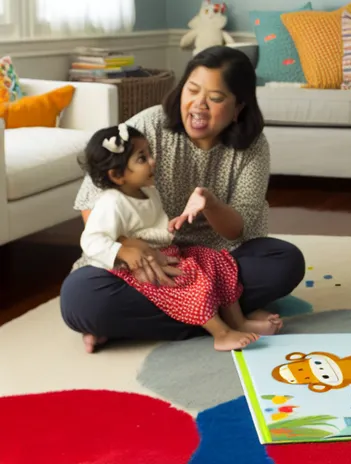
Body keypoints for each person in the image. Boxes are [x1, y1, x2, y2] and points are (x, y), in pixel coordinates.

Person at [60, 46, 305, 351]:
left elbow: (239, 230)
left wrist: (212, 205)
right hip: (142, 262)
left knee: (285, 262)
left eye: (215, 99)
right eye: (192, 90)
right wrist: (130, 247)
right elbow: (91, 200)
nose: (198, 105)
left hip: (215, 258)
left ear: (238, 107)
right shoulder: (147, 126)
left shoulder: (252, 147)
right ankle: (221, 318)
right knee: (81, 300)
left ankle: (135, 324)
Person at [77, 123, 282, 353]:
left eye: (150, 154)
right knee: (190, 278)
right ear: (116, 175)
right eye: (142, 158)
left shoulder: (149, 191)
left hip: (167, 254)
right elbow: (91, 240)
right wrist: (123, 251)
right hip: (137, 267)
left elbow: (151, 226)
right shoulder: (111, 202)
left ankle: (238, 320)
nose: (153, 161)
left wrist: (171, 225)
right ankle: (220, 333)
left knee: (213, 260)